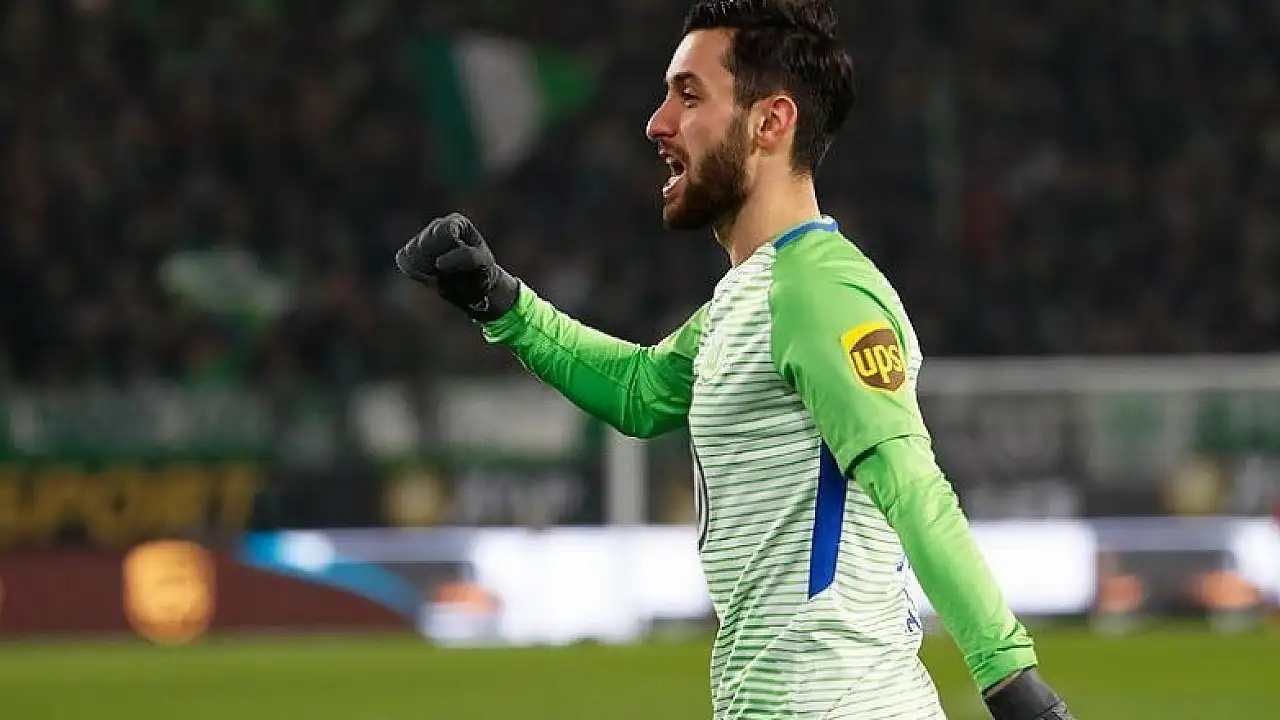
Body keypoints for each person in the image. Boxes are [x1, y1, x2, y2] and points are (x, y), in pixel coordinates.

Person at [397, 1, 1073, 717]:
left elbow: (911, 485)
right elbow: (642, 391)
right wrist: (502, 303)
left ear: (770, 122)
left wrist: (1010, 681)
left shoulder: (820, 292)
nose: (658, 123)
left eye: (688, 96)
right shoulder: (751, 297)